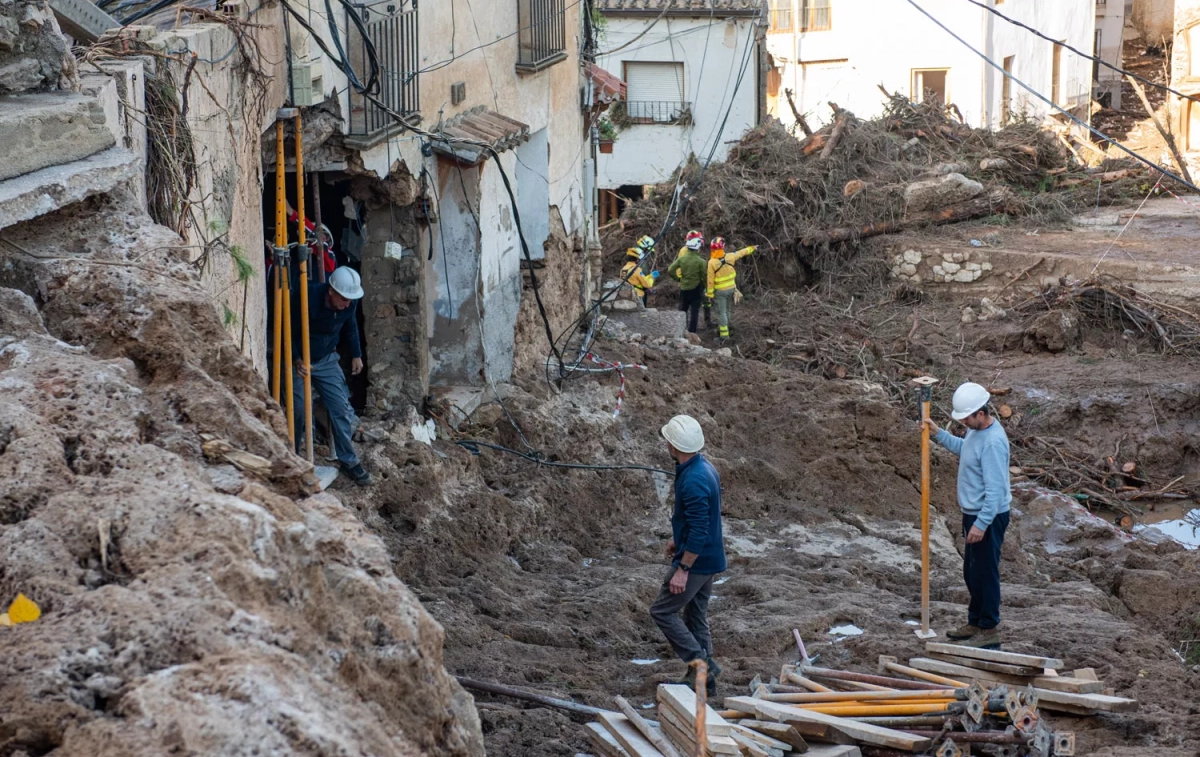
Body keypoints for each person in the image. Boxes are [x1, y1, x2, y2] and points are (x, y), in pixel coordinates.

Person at [923, 381, 1011, 649]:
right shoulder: (976, 433)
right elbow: (965, 450)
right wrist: (938, 434)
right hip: (974, 513)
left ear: (980, 414)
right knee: (972, 573)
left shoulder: (994, 442)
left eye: (965, 418)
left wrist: (982, 524)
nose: (963, 422)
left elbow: (995, 491)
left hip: (989, 516)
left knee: (985, 573)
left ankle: (989, 628)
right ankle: (975, 621)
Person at [650, 415, 726, 695]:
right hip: (710, 559)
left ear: (673, 444)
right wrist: (677, 539)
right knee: (696, 615)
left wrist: (683, 568)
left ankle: (701, 665)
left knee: (662, 610)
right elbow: (699, 519)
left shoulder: (693, 479)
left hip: (697, 561)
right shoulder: (704, 468)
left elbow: (699, 529)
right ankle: (706, 683)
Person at [293, 266, 372, 485]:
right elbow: (286, 329)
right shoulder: (306, 298)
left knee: (341, 408)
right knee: (298, 408)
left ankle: (348, 460)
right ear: (331, 292)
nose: (348, 304)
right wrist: (297, 358)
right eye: (344, 299)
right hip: (299, 359)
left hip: (326, 358)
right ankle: (295, 458)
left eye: (350, 300)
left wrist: (356, 354)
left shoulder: (349, 302)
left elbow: (351, 325)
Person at [705, 238, 755, 341]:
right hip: (732, 289)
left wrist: (709, 295)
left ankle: (724, 336)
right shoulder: (730, 257)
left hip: (720, 292)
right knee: (727, 310)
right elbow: (741, 253)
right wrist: (751, 248)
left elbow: (710, 280)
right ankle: (727, 328)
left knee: (721, 312)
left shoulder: (712, 263)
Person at [667, 231, 708, 334]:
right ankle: (692, 332)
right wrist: (704, 286)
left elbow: (670, 270)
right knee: (695, 312)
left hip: (684, 287)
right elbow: (704, 276)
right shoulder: (701, 261)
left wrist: (678, 279)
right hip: (696, 289)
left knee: (682, 310)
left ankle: (682, 330)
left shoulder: (682, 258)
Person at [621, 235, 658, 308]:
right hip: (639, 293)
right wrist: (652, 277)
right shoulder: (637, 269)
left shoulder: (624, 269)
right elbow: (645, 282)